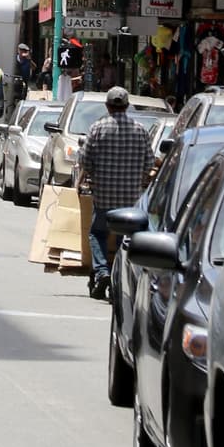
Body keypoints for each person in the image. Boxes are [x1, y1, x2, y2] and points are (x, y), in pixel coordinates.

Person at [76, 86, 152, 301]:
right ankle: (118, 275)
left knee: (97, 234)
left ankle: (102, 272)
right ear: (127, 106)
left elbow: (85, 161)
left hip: (104, 197)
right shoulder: (140, 130)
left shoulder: (97, 128)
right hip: (130, 200)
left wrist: (91, 176)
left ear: (108, 107)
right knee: (123, 239)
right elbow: (148, 163)